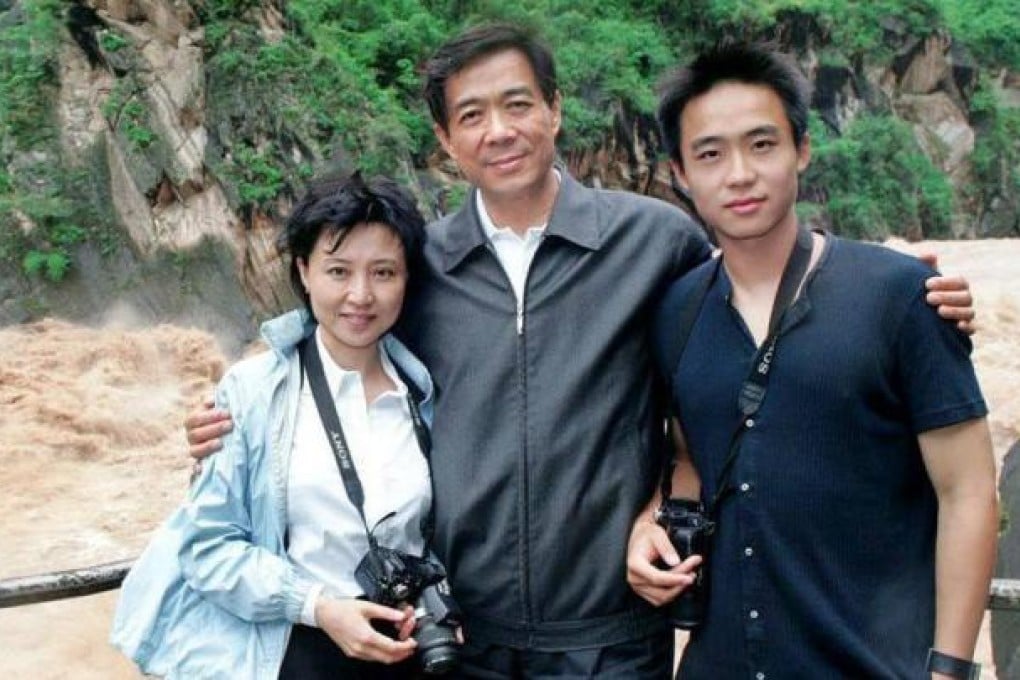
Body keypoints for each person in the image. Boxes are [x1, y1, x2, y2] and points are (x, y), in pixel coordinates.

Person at [185, 25, 978, 678]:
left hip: (614, 639)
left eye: (518, 104)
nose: (499, 131)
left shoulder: (654, 240)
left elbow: (761, 275)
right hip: (465, 639)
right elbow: (341, 337)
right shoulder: (423, 266)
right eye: (471, 115)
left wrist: (910, 282)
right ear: (443, 139)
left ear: (556, 110)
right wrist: (241, 405)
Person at [627, 41, 998, 679]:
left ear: (802, 148)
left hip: (873, 663)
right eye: (710, 154)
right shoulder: (676, 311)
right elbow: (690, 453)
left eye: (762, 144)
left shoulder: (900, 295)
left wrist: (949, 669)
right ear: (680, 175)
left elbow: (968, 490)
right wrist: (648, 525)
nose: (739, 174)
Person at [112, 174, 441, 679]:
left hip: (405, 654)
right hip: (294, 650)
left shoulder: (424, 394)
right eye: (338, 271)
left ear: (406, 280)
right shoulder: (251, 392)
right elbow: (208, 548)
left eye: (383, 272)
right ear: (304, 272)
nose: (360, 295)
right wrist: (317, 606)